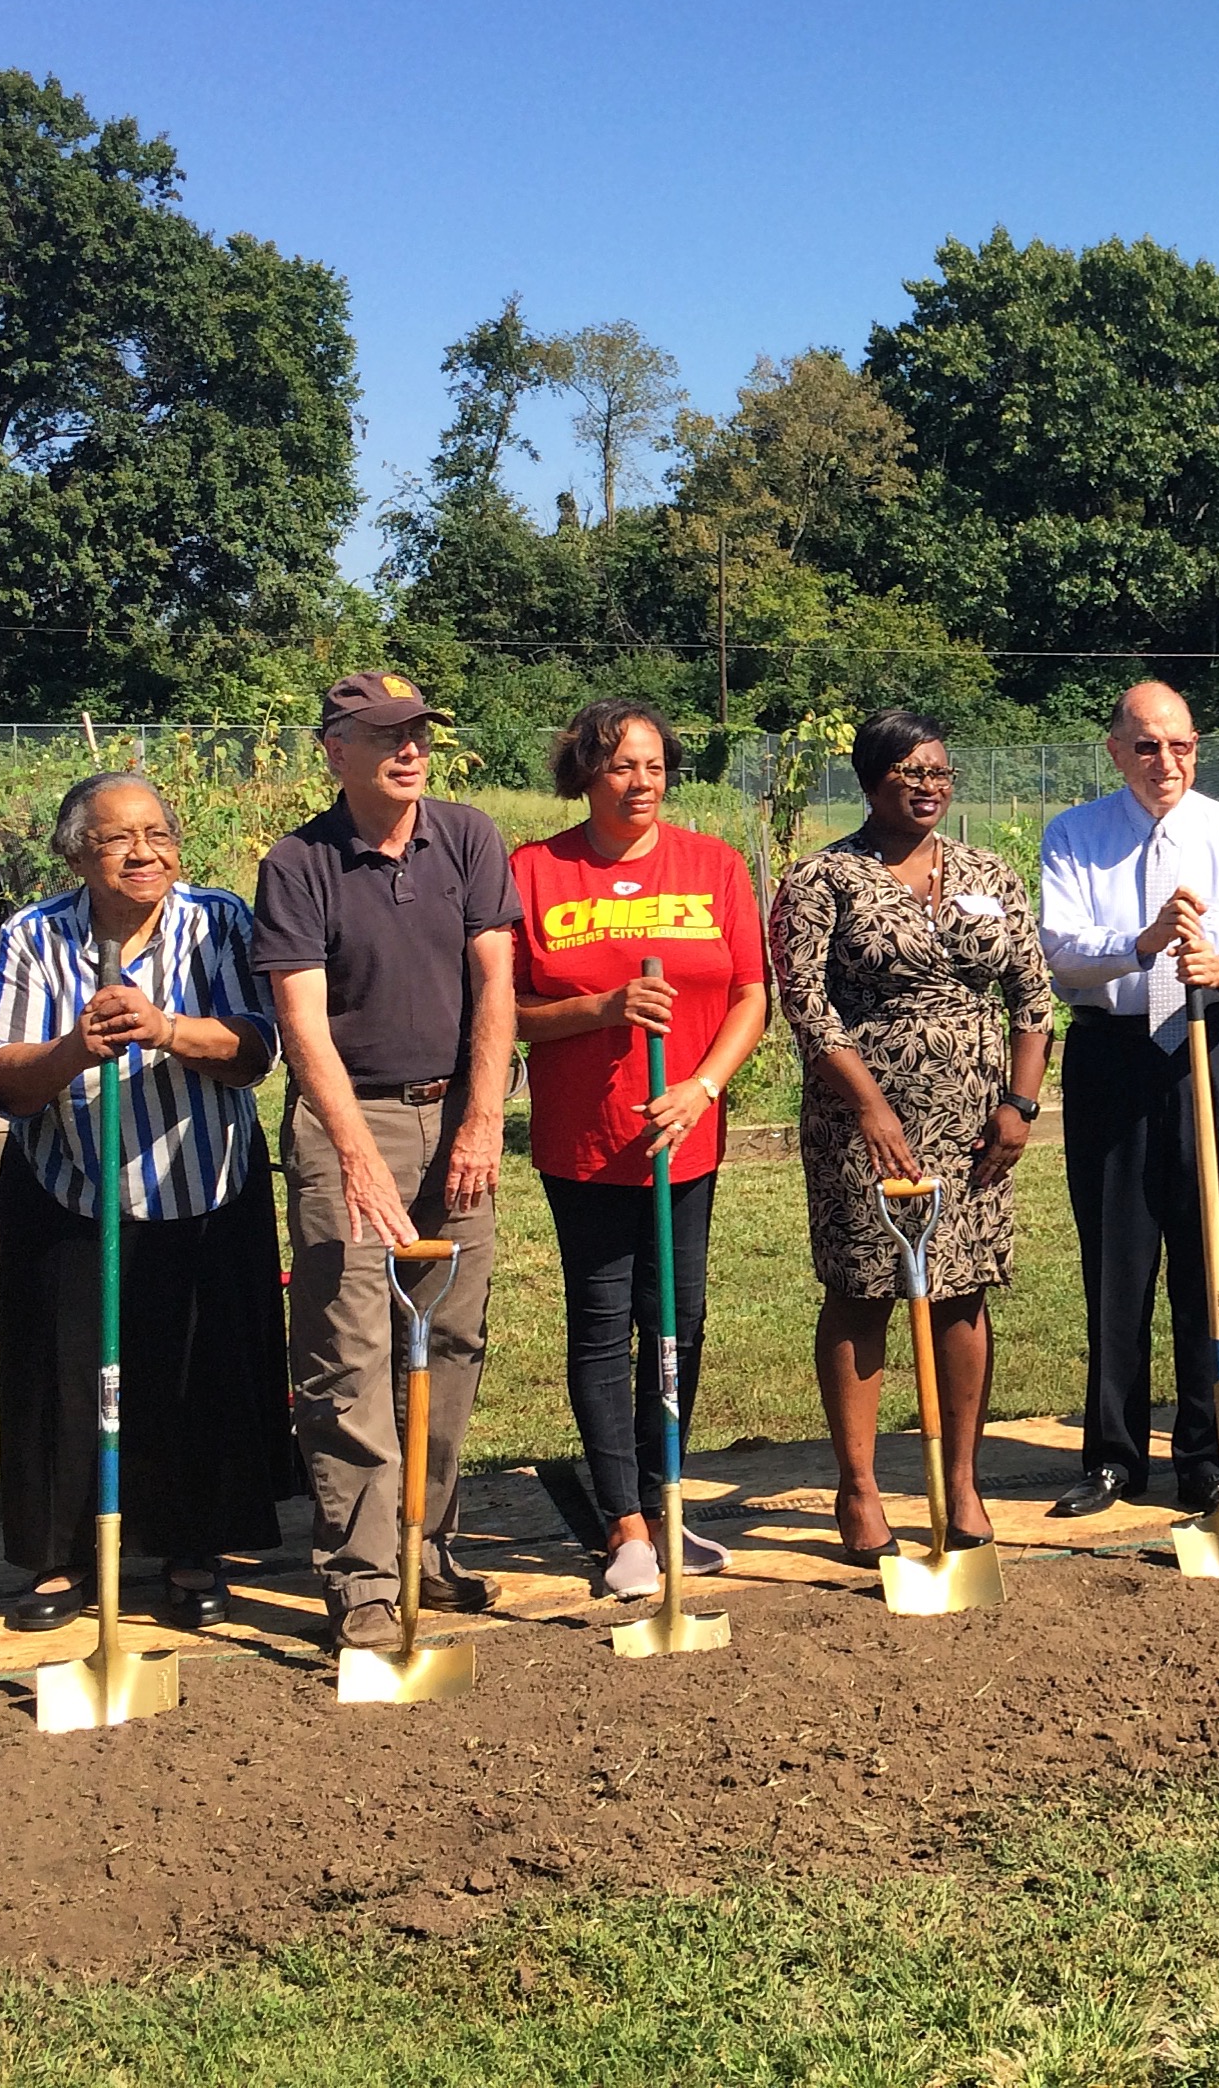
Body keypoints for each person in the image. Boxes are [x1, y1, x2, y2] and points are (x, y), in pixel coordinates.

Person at [0, 771, 291, 1632]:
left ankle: (196, 1547)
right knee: (65, 1375)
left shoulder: (218, 919)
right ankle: (62, 1557)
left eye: (157, 834)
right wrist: (73, 1050)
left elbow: (258, 1047)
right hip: (71, 1183)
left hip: (204, 1178)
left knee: (199, 1367)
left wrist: (167, 1030)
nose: (143, 853)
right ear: (76, 852)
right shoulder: (34, 935)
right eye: (117, 839)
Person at [252, 671, 521, 1654]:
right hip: (342, 1123)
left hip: (455, 1114)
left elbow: (496, 979)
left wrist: (483, 1118)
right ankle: (364, 1581)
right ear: (335, 750)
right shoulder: (298, 864)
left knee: (449, 1346)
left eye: (418, 732)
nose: (409, 749)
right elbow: (301, 1023)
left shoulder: (469, 837)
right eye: (385, 735)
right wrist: (356, 1159)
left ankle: (427, 1547)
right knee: (350, 1356)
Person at [769, 710, 1054, 1560]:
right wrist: (870, 1107)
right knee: (863, 1289)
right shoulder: (823, 879)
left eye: (938, 771)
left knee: (961, 1289)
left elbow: (1031, 995)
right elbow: (807, 1005)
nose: (927, 785)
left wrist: (1021, 1104)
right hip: (867, 1123)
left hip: (977, 1124)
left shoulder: (985, 872)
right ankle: (857, 1491)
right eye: (906, 773)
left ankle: (959, 1479)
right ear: (869, 781)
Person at [510, 699, 769, 1601]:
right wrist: (600, 1009)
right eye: (622, 765)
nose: (642, 781)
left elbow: (748, 994)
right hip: (584, 1142)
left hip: (682, 1139)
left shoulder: (715, 865)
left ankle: (665, 1500)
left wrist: (701, 1089)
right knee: (600, 1323)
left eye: (655, 765)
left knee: (678, 1320)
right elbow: (499, 1013)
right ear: (584, 771)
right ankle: (621, 1523)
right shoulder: (535, 872)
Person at [1037, 680, 1219, 1518]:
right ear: (1114, 750)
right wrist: (1137, 943)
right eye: (1146, 746)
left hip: (1206, 1047)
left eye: (1179, 745)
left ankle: (1212, 1453)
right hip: (1113, 1054)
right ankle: (1112, 1457)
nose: (1165, 763)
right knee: (1117, 1258)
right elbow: (1061, 953)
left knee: (1216, 1254)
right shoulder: (1075, 835)